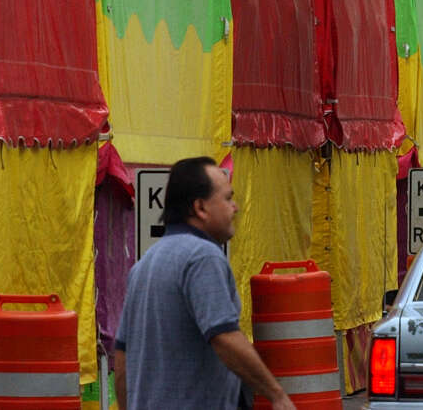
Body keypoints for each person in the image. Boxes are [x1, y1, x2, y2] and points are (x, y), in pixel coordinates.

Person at [114, 157, 296, 410]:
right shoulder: (202, 256)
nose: (236, 207)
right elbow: (224, 337)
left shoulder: (143, 266)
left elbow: (122, 356)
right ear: (200, 208)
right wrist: (277, 395)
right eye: (227, 198)